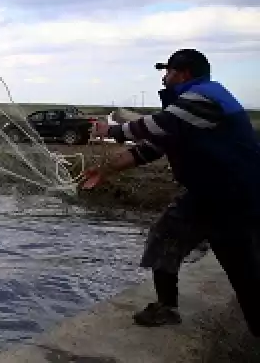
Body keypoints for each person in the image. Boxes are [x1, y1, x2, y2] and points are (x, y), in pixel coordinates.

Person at [81, 48, 260, 335]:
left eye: (168, 72)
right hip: (207, 194)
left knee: (244, 271)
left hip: (235, 197)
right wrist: (104, 171)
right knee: (165, 236)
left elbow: (156, 126)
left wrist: (110, 130)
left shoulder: (203, 97)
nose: (164, 78)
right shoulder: (187, 108)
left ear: (183, 73)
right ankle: (166, 307)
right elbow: (151, 148)